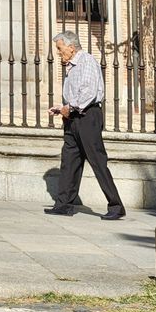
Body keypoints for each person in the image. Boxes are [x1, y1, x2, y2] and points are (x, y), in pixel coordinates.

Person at [46, 30, 125, 220]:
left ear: (71, 48)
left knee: (97, 161)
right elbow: (77, 94)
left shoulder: (86, 61)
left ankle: (116, 206)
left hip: (88, 117)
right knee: (69, 161)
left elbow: (89, 92)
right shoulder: (72, 65)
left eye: (60, 48)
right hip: (73, 118)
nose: (58, 52)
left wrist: (70, 108)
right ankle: (63, 204)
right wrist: (63, 108)